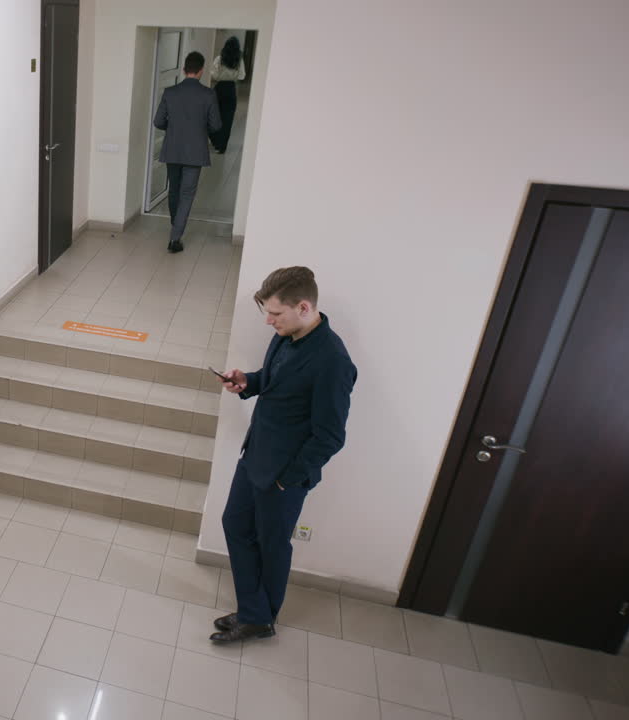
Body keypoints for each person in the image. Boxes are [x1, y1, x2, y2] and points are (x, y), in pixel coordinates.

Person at [210, 267, 357, 644]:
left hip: (284, 475)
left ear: (304, 307)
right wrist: (248, 382)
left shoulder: (333, 361)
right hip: (255, 455)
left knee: (272, 544)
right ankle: (253, 612)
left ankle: (259, 618)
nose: (268, 320)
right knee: (235, 526)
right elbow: (275, 379)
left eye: (275, 314)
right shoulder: (287, 334)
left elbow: (330, 437)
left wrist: (285, 479)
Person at [153, 51, 222, 254]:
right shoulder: (208, 94)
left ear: (184, 70)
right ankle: (175, 237)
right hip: (195, 151)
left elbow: (158, 121)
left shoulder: (170, 92)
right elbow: (216, 125)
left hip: (172, 148)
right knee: (187, 193)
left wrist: (174, 129)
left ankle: (176, 225)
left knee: (174, 190)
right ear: (201, 71)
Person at [210, 37, 246, 154]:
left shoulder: (219, 59)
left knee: (214, 116)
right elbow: (242, 76)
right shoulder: (239, 60)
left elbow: (214, 75)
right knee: (227, 119)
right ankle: (222, 146)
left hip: (219, 89)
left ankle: (215, 141)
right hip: (231, 90)